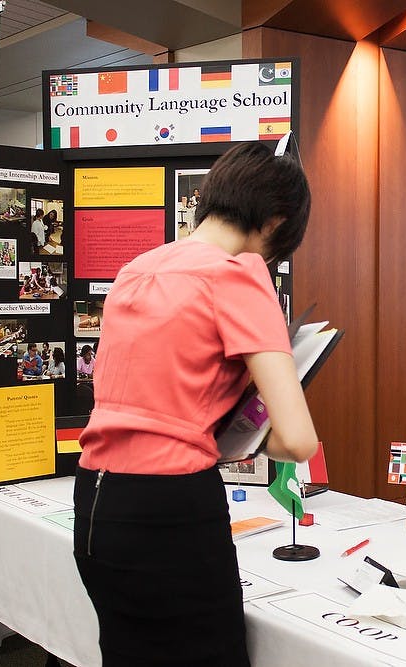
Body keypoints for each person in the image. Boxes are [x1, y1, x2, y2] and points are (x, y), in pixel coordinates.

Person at [73, 139, 318, 666]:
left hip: (95, 503)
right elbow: (298, 441)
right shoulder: (238, 274)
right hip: (170, 510)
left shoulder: (137, 269)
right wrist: (248, 427)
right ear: (275, 224)